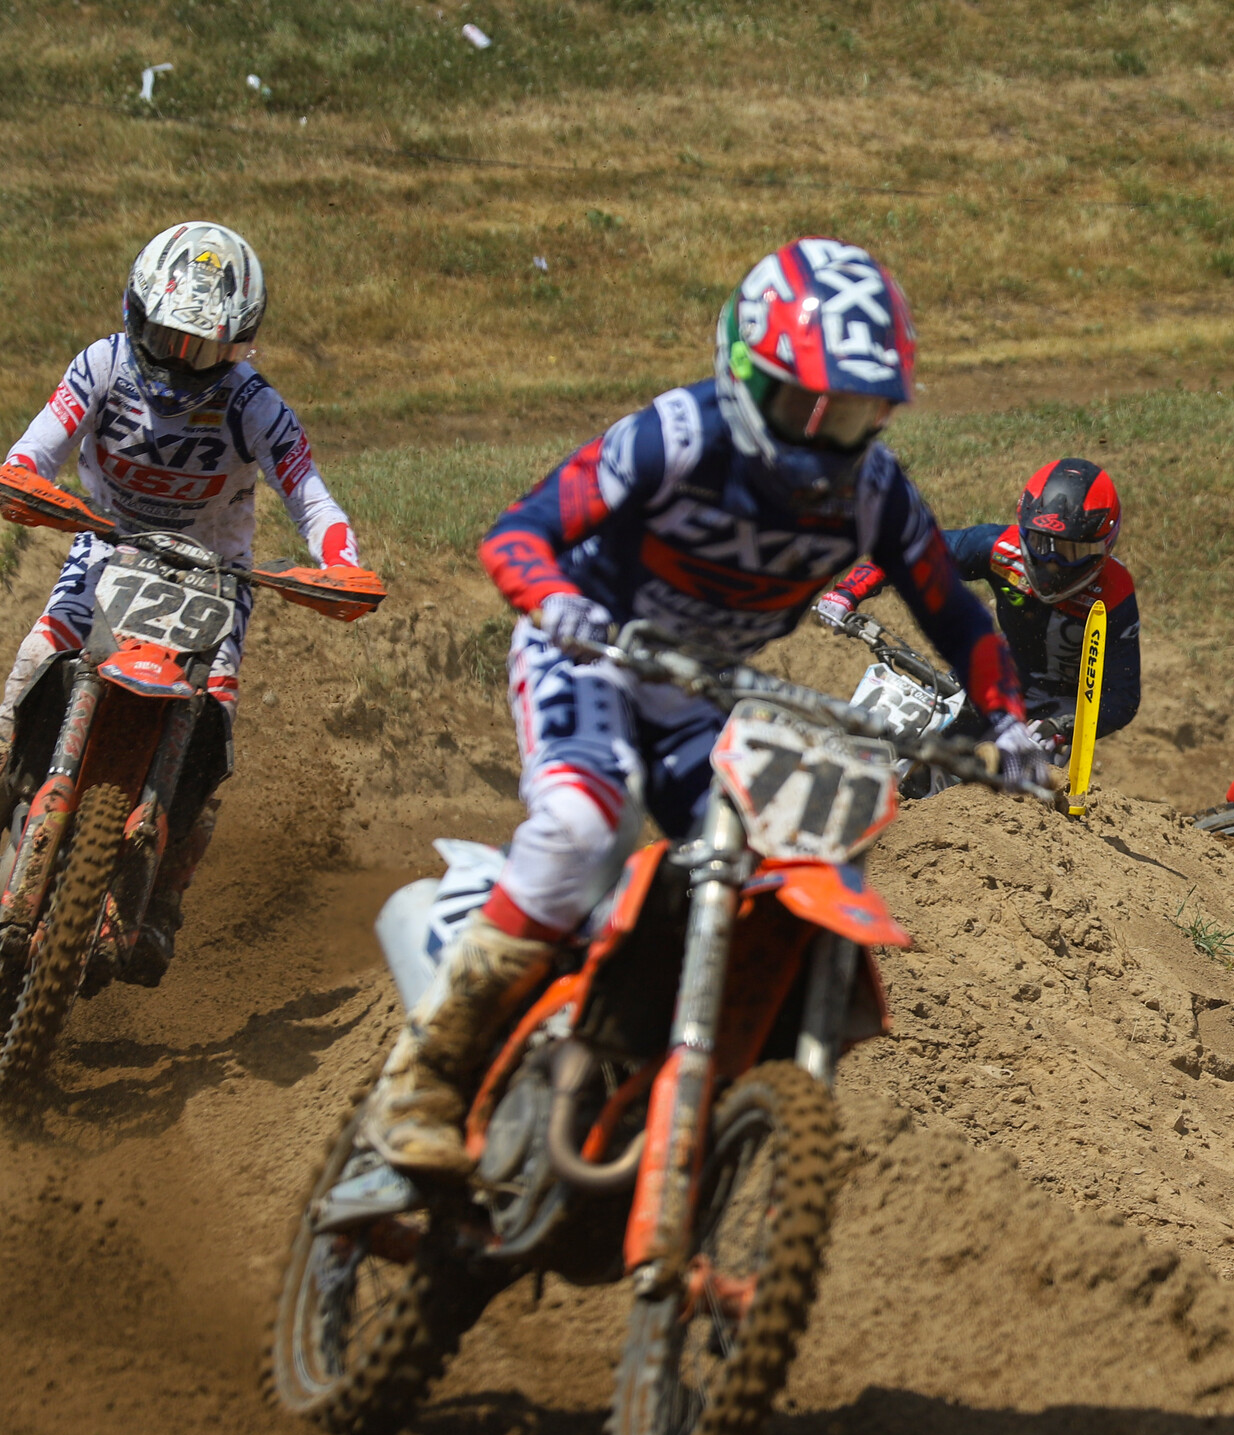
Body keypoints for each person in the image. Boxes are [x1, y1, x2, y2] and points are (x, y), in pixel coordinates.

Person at [360, 236, 1046, 1175]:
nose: (822, 432)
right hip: (590, 652)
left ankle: (651, 1070)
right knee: (578, 822)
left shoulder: (875, 493)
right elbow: (522, 531)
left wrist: (1007, 721)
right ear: (744, 372)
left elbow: (956, 613)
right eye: (803, 402)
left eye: (851, 413)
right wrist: (557, 604)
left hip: (698, 696)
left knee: (767, 870)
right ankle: (426, 1078)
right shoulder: (676, 436)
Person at [0, 220, 362, 983]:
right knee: (31, 666)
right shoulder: (101, 366)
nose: (179, 360)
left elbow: (309, 494)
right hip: (104, 548)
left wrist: (341, 563)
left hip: (215, 577)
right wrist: (24, 481)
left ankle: (164, 895)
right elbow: (35, 449)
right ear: (136, 311)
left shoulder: (253, 404)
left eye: (202, 348)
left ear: (239, 345)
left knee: (212, 724)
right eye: (167, 337)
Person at [813, 457, 1139, 752]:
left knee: (1018, 783)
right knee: (912, 729)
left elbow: (1121, 699)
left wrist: (1064, 729)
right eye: (1040, 543)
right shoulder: (999, 547)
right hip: (1000, 674)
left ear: (1103, 548)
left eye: (1071, 552)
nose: (1051, 562)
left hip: (1061, 710)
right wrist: (846, 592)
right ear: (1024, 529)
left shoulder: (1114, 591)